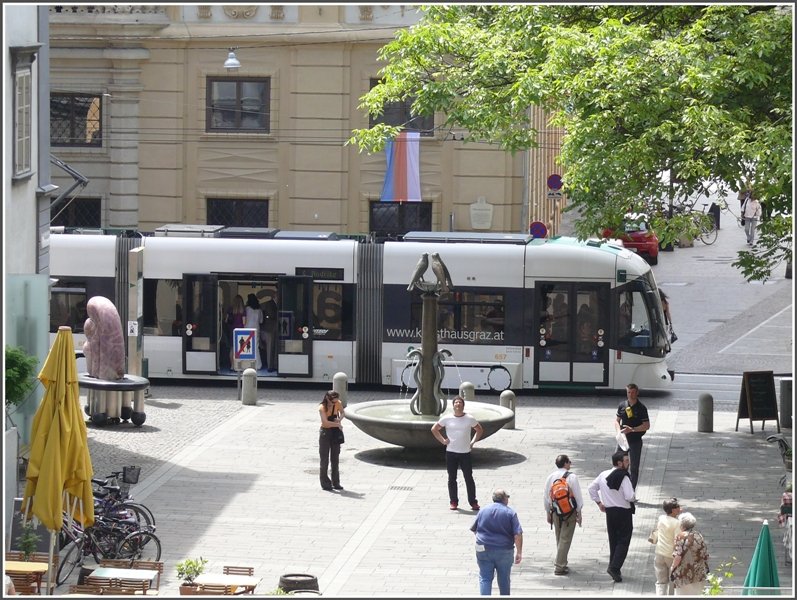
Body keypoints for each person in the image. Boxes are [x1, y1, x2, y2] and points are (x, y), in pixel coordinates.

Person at [588, 450, 636, 583]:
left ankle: (613, 566)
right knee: (623, 540)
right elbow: (629, 496)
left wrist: (599, 502)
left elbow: (591, 488)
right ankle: (614, 567)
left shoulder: (603, 475)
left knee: (613, 539)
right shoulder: (624, 477)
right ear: (619, 463)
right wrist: (634, 498)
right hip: (623, 512)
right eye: (626, 461)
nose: (628, 463)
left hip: (610, 512)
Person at [431, 396, 484, 511]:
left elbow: (479, 429)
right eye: (456, 403)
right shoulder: (447, 418)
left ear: (463, 405)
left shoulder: (469, 418)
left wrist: (473, 441)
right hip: (451, 452)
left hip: (465, 453)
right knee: (452, 478)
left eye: (460, 402)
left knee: (468, 478)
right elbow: (434, 429)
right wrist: (443, 440)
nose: (458, 404)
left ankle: (473, 502)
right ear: (453, 405)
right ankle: (453, 501)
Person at [469, 488, 523, 596]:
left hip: (483, 548)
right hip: (504, 550)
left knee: (485, 577)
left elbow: (474, 529)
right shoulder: (510, 513)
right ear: (504, 499)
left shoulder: (483, 510)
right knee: (504, 578)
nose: (508, 499)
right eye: (507, 497)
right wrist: (519, 552)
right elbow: (518, 534)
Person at [543, 454, 584, 575]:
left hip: (555, 511)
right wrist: (579, 512)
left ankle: (562, 561)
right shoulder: (572, 477)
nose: (570, 464)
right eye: (569, 462)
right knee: (565, 539)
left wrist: (548, 513)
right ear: (565, 463)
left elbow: (546, 496)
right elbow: (577, 496)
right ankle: (560, 566)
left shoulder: (550, 477)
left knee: (559, 537)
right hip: (569, 512)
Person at [614, 383, 650, 488]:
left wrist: (633, 430)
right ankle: (618, 488)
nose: (630, 395)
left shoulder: (642, 408)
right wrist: (618, 432)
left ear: (637, 393)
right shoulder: (622, 405)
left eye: (633, 392)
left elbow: (646, 425)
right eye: (629, 392)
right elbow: (617, 421)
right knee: (618, 463)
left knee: (634, 467)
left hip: (635, 441)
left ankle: (631, 491)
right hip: (623, 440)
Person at [670, 512, 710, 595]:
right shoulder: (698, 535)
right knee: (697, 594)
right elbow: (705, 554)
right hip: (699, 572)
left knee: (682, 595)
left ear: (682, 525)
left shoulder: (680, 536)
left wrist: (672, 568)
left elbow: (678, 556)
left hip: (684, 573)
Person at [654, 497, 683, 595]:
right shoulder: (677, 523)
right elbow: (677, 541)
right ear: (673, 510)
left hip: (659, 553)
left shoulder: (661, 518)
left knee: (661, 581)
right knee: (672, 581)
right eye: (678, 507)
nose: (680, 508)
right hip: (670, 555)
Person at [318, 390, 345, 491]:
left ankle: (336, 482)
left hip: (335, 433)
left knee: (335, 458)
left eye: (336, 401)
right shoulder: (322, 408)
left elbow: (342, 412)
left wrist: (339, 419)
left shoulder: (338, 403)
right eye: (333, 402)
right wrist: (337, 424)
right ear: (328, 399)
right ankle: (325, 483)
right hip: (325, 433)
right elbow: (325, 423)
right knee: (324, 459)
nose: (335, 403)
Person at [225, 294, 246, 367]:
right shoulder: (243, 310)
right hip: (240, 331)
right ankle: (238, 366)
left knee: (232, 348)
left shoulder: (230, 309)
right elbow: (244, 322)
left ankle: (232, 366)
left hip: (232, 330)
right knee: (240, 349)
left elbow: (226, 320)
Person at [244, 293, 264, 370]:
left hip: (247, 329)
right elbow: (261, 321)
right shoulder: (259, 310)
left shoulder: (247, 309)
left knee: (247, 348)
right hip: (256, 329)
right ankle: (258, 365)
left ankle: (247, 365)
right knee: (256, 347)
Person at [261, 296, 278, 371]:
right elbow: (272, 315)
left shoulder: (274, 304)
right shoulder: (270, 304)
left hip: (273, 329)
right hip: (269, 329)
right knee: (270, 348)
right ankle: (270, 366)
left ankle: (274, 365)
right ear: (275, 296)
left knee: (273, 348)